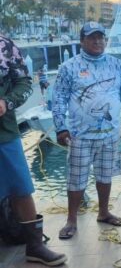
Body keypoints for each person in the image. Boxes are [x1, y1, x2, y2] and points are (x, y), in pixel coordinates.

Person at [52, 21, 121, 240]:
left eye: (101, 37)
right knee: (76, 178)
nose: (97, 41)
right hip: (79, 135)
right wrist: (61, 127)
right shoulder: (69, 67)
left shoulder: (118, 65)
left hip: (110, 134)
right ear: (82, 41)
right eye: (92, 37)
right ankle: (71, 219)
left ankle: (104, 212)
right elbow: (58, 98)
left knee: (105, 175)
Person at [0, 33, 67, 266]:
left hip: (4, 132)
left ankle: (35, 246)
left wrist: (6, 102)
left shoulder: (5, 44)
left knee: (21, 186)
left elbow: (25, 82)